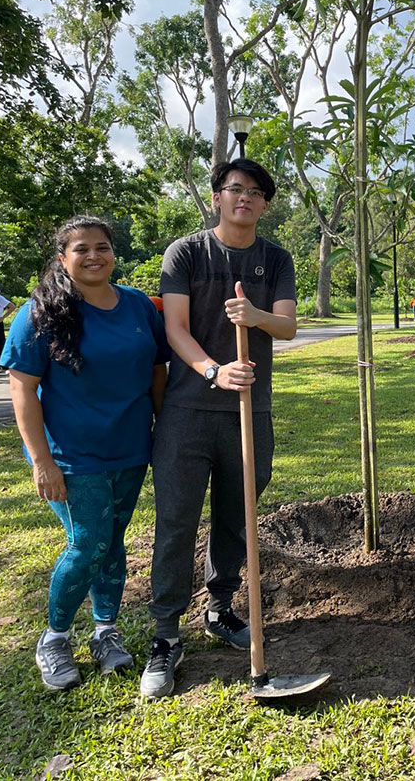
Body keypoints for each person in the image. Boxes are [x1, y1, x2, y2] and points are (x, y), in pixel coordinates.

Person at [141, 157, 297, 699]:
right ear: (217, 197)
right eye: (235, 189)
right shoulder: (186, 252)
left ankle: (222, 608)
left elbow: (288, 325)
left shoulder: (275, 259)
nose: (245, 198)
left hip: (250, 413)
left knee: (238, 515)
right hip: (187, 413)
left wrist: (255, 317)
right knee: (177, 522)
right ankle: (164, 637)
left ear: (266, 204)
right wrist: (213, 369)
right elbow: (175, 328)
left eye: (255, 192)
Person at [1, 216, 169, 691]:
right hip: (72, 456)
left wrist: (163, 433)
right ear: (63, 258)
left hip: (131, 449)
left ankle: (105, 631)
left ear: (114, 253)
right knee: (88, 544)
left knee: (112, 544)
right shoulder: (41, 312)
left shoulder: (138, 305)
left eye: (102, 247)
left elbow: (157, 370)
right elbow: (22, 391)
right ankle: (54, 639)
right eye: (81, 249)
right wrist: (42, 462)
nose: (93, 256)